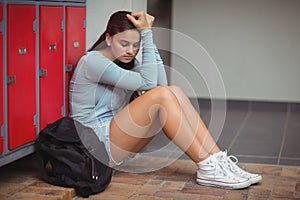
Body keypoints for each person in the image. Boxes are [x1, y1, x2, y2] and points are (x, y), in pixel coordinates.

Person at [69, 10, 262, 190]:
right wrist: (146, 33)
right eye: (124, 43)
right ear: (109, 39)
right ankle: (206, 166)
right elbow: (150, 84)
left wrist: (147, 40)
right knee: (162, 96)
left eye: (136, 45)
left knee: (173, 91)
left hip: (113, 141)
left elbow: (160, 84)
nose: (130, 50)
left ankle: (216, 159)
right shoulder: (93, 62)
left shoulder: (124, 62)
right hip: (93, 148)